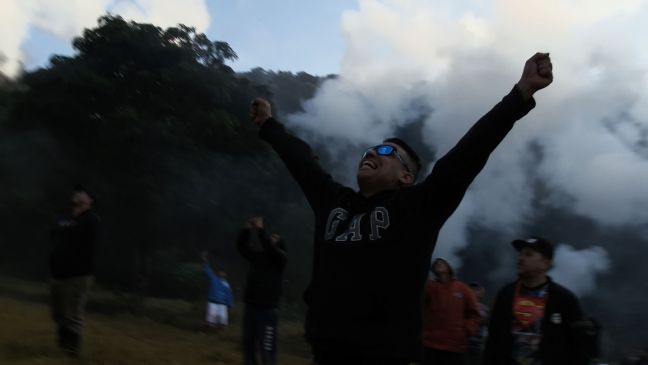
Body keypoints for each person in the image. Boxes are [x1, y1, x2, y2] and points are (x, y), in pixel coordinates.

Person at [250, 52, 553, 364]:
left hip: (385, 355)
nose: (372, 152)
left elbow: (468, 154)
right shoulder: (335, 203)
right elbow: (304, 163)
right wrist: (269, 126)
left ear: (406, 176)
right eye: (371, 148)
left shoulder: (418, 207)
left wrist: (521, 94)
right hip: (324, 352)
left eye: (385, 151)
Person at [482, 236, 590, 365]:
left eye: (529, 255)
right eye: (520, 254)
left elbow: (580, 346)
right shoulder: (506, 294)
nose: (521, 258)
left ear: (545, 263)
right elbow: (493, 339)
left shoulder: (564, 298)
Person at [49, 184, 100, 357]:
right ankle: (63, 345)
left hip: (78, 275)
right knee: (58, 313)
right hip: (57, 274)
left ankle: (72, 352)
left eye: (82, 193)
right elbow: (53, 236)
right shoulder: (64, 218)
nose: (77, 195)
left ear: (90, 200)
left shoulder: (91, 220)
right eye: (76, 193)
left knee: (73, 313)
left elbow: (85, 246)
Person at [238, 217, 287, 365]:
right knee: (248, 343)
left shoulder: (281, 259)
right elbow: (242, 248)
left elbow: (269, 247)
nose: (271, 239)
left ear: (280, 244)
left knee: (267, 346)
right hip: (251, 307)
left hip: (268, 311)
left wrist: (260, 229)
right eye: (271, 236)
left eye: (275, 238)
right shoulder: (258, 257)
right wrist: (246, 230)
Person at [423, 258, 481, 365]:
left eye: (442, 262)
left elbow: (474, 313)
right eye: (436, 263)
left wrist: (466, 330)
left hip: (454, 346)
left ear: (449, 265)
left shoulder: (463, 288)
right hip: (430, 344)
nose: (438, 263)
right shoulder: (429, 286)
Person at [202, 251, 233, 330]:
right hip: (213, 302)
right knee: (210, 320)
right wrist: (204, 259)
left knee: (222, 321)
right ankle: (207, 331)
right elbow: (207, 270)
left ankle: (219, 334)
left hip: (223, 304)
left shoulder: (226, 284)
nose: (223, 273)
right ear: (218, 273)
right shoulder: (214, 278)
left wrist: (230, 304)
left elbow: (229, 294)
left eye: (224, 272)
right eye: (221, 272)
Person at [466, 282, 490, 365]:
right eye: (477, 290)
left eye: (481, 292)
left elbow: (484, 320)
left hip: (477, 344)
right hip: (464, 343)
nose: (481, 293)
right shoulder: (463, 305)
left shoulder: (484, 308)